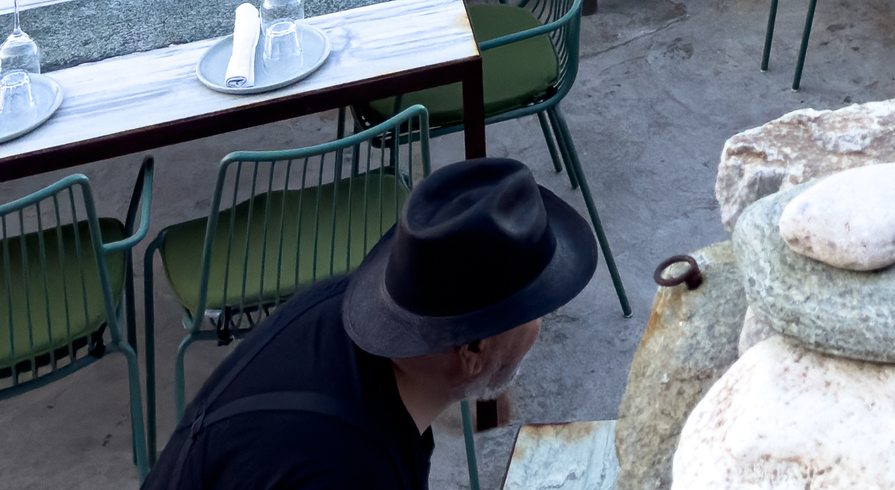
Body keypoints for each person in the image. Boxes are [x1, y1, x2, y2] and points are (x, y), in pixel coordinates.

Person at [144, 156, 598, 489]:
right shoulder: (353, 470)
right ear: (471, 351)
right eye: (533, 311)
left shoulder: (338, 313)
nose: (541, 325)